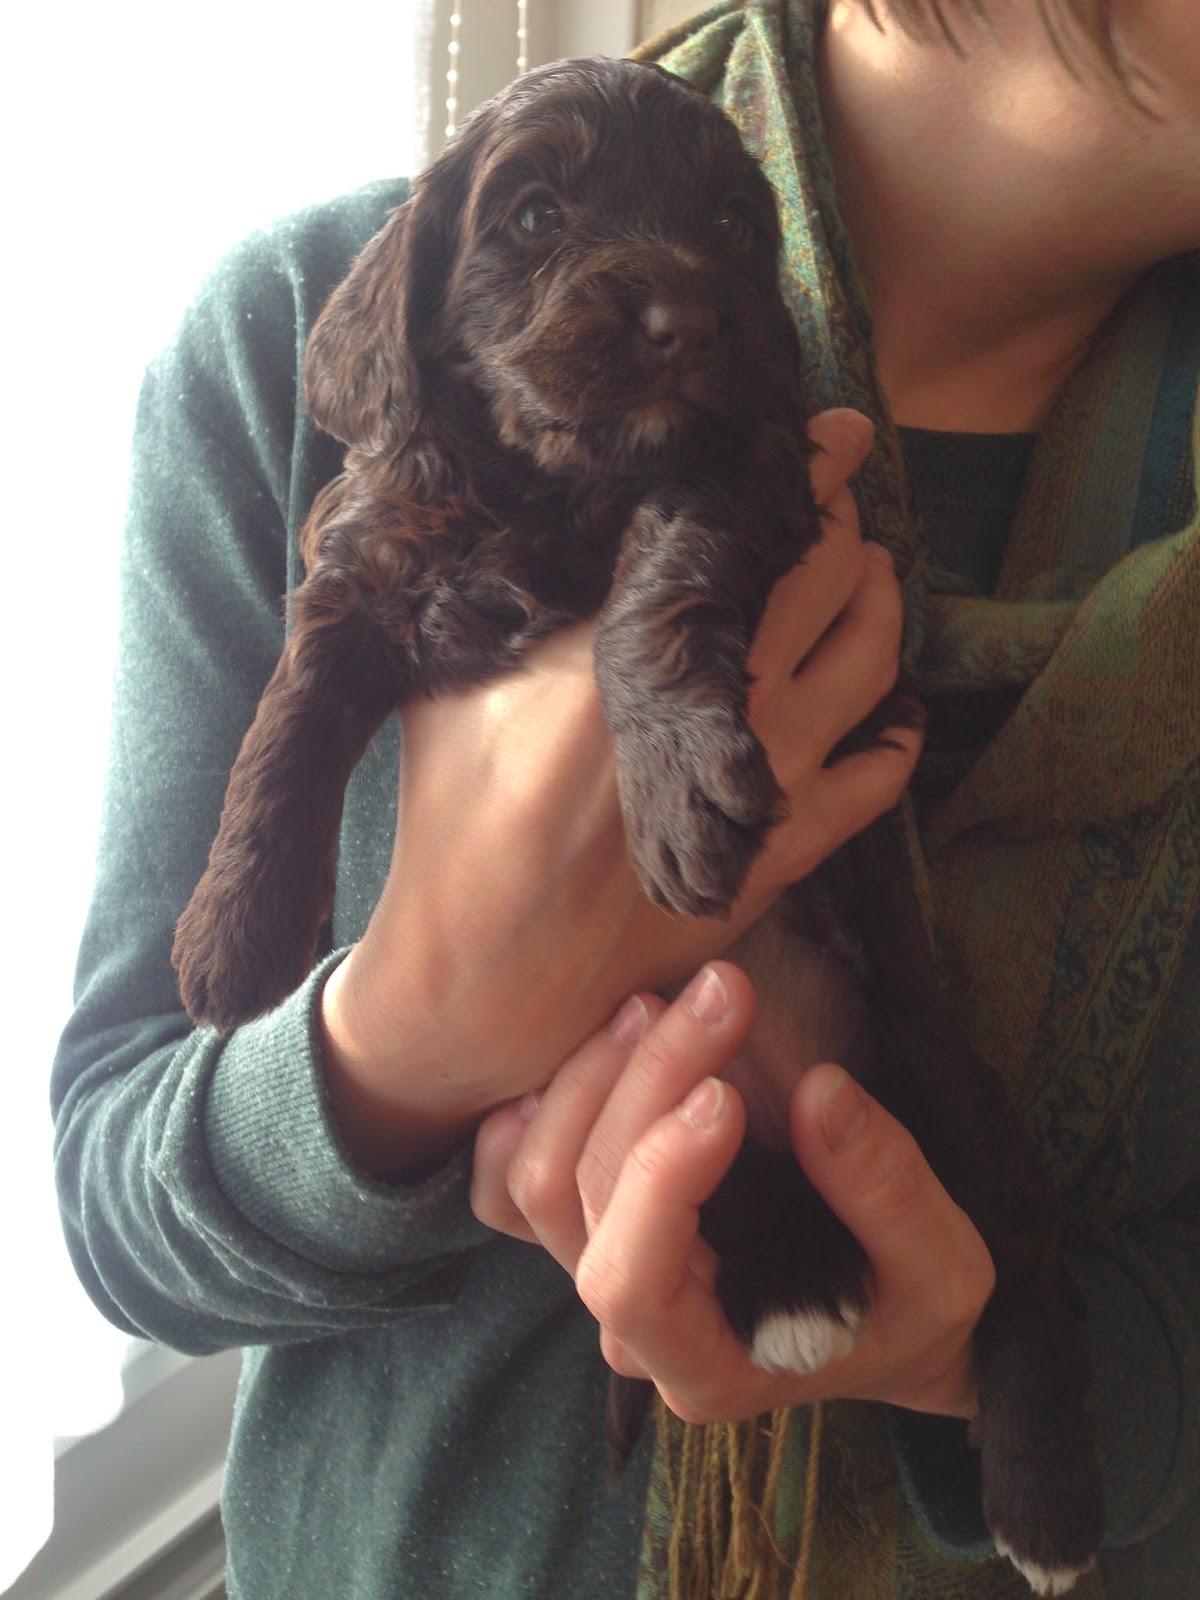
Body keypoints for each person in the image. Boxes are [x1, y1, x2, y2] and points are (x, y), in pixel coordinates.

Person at [52, 2, 1198, 1597]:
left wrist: (973, 1359)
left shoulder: (765, 440)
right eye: (536, 218)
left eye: (723, 236)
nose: (668, 299)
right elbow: (119, 1193)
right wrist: (404, 1041)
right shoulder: (293, 329)